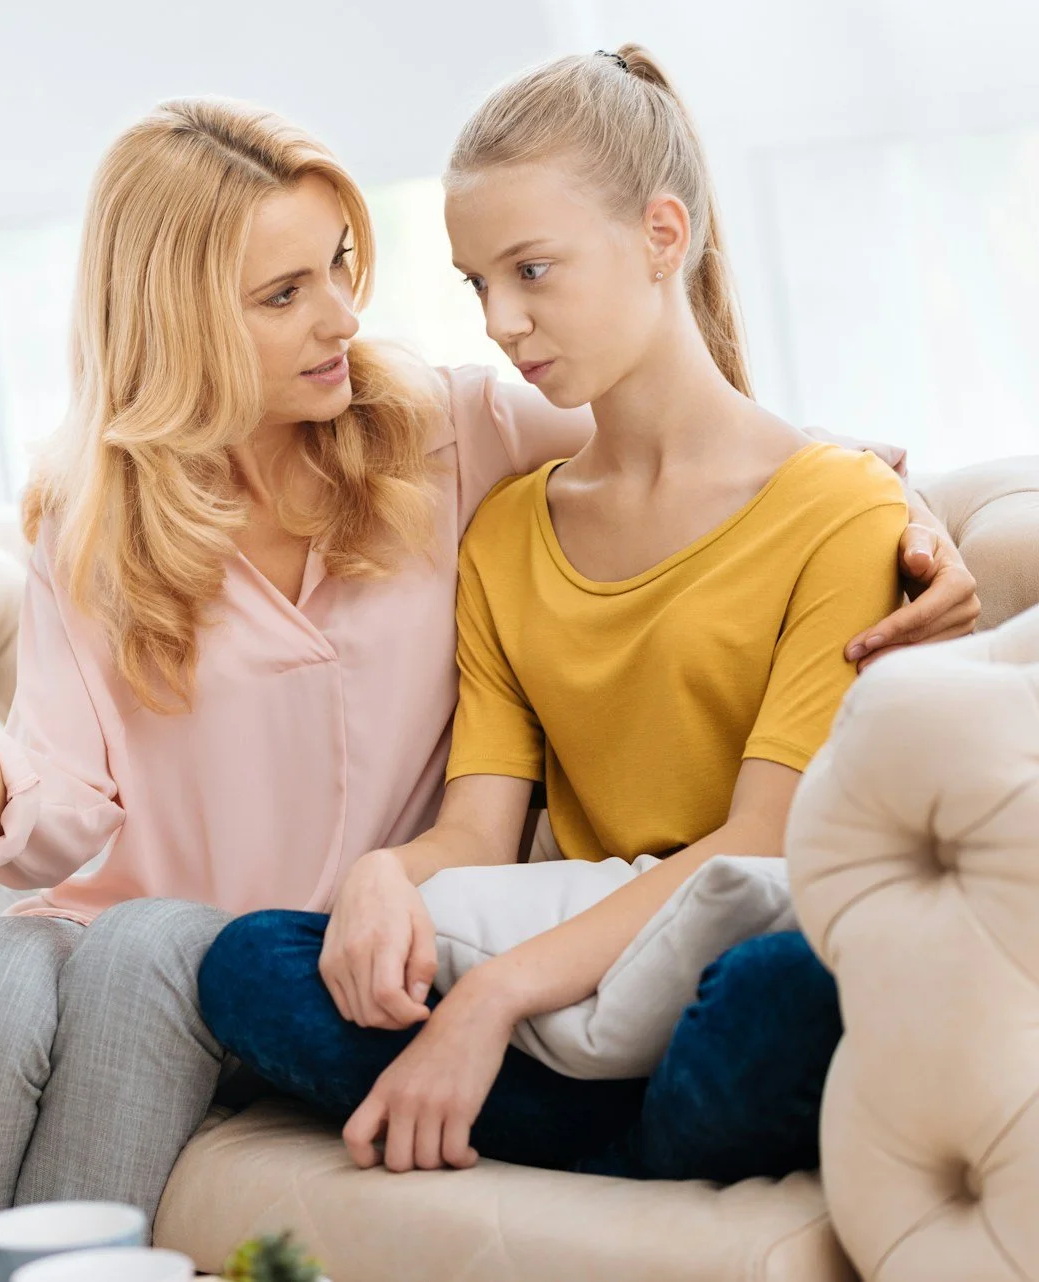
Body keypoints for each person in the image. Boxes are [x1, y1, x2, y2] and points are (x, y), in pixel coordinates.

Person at [0, 98, 976, 1279]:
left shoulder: (453, 430)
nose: (339, 318)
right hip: (125, 940)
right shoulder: (91, 516)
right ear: (175, 318)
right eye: (283, 294)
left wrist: (916, 525)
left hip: (299, 954)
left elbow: (721, 454)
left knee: (154, 945)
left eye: (337, 267)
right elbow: (58, 816)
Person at [198, 46, 908, 1184]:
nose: (501, 320)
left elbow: (765, 840)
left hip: (718, 970)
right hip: (577, 1004)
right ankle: (644, 1143)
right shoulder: (509, 533)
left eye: (532, 270)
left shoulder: (842, 510)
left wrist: (491, 997)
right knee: (250, 961)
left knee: (783, 987)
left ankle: (572, 1127)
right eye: (478, 284)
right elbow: (479, 836)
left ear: (662, 236)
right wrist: (384, 874)